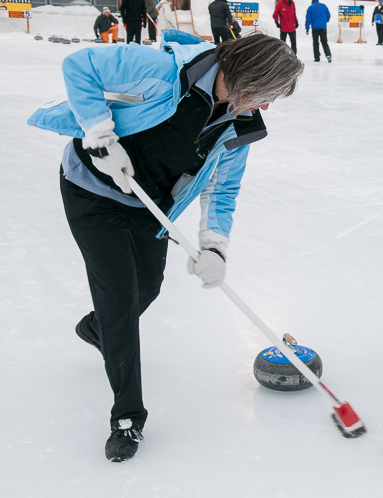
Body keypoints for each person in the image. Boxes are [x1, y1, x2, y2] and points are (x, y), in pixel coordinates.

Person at [27, 31, 304, 463]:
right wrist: (101, 135)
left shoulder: (238, 124)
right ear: (250, 77)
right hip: (93, 189)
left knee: (147, 288)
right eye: (267, 95)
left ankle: (98, 330)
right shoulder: (163, 70)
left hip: (150, 205)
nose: (266, 108)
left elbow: (223, 190)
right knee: (119, 298)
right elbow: (80, 65)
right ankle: (127, 417)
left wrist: (215, 247)